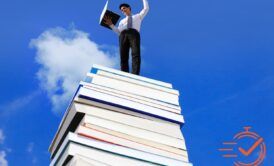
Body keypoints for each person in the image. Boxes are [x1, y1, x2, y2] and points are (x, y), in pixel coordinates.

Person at [104, 0, 149, 75]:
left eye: (124, 8)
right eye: (122, 10)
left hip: (134, 33)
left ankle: (135, 74)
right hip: (123, 35)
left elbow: (146, 8)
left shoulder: (138, 16)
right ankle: (124, 74)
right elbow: (118, 31)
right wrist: (111, 25)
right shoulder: (122, 21)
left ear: (129, 8)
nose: (123, 10)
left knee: (135, 53)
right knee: (123, 55)